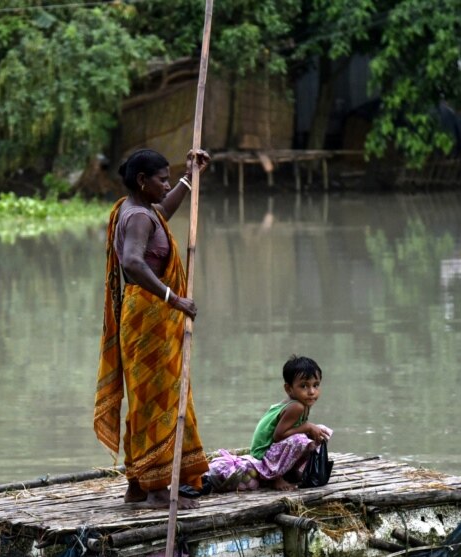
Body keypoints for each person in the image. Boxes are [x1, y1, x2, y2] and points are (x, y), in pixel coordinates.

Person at [94, 147, 211, 509]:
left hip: (145, 318)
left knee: (147, 402)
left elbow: (162, 213)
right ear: (142, 182)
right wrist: (174, 298)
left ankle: (139, 484)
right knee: (159, 400)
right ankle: (159, 488)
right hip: (149, 321)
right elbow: (131, 262)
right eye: (161, 179)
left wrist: (189, 177)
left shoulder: (139, 211)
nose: (165, 185)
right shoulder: (137, 218)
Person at [208, 355, 332, 492]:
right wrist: (308, 427)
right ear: (289, 389)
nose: (312, 392)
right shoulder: (297, 407)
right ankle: (275, 477)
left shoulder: (302, 404)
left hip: (272, 451)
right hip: (263, 456)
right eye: (304, 386)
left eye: (316, 385)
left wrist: (310, 429)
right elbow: (279, 436)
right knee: (301, 439)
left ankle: (290, 471)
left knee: (320, 431)